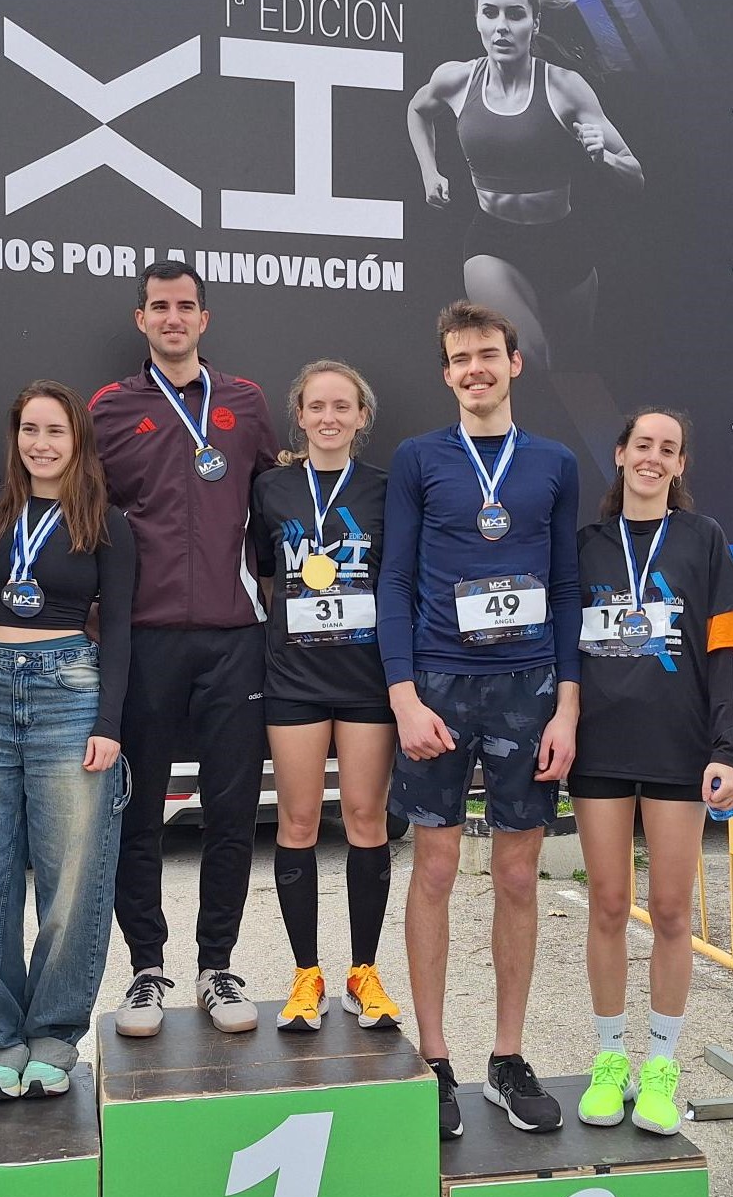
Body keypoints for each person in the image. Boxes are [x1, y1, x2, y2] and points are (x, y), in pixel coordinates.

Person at [377, 300, 581, 1140]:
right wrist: (402, 697)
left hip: (527, 690)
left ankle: (506, 1055)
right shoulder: (419, 458)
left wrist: (567, 704)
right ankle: (433, 1059)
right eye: (459, 359)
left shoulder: (554, 464)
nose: (475, 370)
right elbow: (392, 582)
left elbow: (568, 587)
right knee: (430, 873)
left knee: (516, 877)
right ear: (445, 372)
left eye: (487, 356)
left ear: (514, 361)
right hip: (438, 688)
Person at [90, 261, 278, 1035]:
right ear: (140, 319)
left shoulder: (245, 403)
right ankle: (146, 970)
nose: (173, 318)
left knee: (232, 810)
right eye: (159, 307)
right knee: (139, 815)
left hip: (236, 639)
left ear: (205, 318)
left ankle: (218, 966)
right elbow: (84, 516)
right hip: (145, 640)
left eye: (186, 307)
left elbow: (271, 515)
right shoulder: (108, 408)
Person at [0, 381, 135, 1102]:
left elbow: (118, 630)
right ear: (15, 438)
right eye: (29, 429)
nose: (41, 443)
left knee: (72, 881)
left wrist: (109, 724)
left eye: (55, 430)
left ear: (77, 440)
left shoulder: (107, 524)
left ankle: (54, 1036)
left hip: (68, 696)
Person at [572, 408, 733, 1136]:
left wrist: (726, 751)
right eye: (641, 445)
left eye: (667, 449)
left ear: (681, 465)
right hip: (599, 753)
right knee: (608, 905)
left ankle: (661, 1066)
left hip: (679, 753)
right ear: (618, 455)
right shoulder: (582, 545)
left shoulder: (703, 540)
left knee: (672, 913)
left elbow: (727, 651)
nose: (652, 457)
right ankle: (608, 1059)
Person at [251, 360, 400, 1033]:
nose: (329, 417)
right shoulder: (270, 488)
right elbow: (261, 571)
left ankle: (363, 972)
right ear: (301, 416)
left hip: (366, 680)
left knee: (366, 822)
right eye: (317, 407)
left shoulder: (384, 490)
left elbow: (398, 582)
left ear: (360, 417)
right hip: (295, 678)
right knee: (298, 824)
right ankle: (305, 974)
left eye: (343, 406)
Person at [406, 0, 641, 367]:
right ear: (477, 19)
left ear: (534, 22)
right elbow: (417, 109)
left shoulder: (564, 86)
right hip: (492, 242)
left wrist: (603, 158)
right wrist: (429, 170)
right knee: (529, 356)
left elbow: (634, 175)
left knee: (572, 366)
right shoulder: (456, 80)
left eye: (515, 14)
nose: (501, 26)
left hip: (563, 244)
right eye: (490, 13)